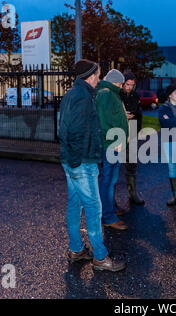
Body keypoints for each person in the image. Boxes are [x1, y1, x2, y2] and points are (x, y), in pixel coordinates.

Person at [58, 59, 126, 271]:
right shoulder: (83, 97)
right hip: (81, 161)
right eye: (97, 74)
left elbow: (63, 128)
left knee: (75, 204)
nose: (99, 78)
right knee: (94, 207)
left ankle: (76, 249)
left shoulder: (73, 94)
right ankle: (100, 256)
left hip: (72, 160)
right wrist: (78, 161)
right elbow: (73, 132)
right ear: (89, 76)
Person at [96, 69, 129, 231]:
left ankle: (110, 209)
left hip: (115, 144)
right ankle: (108, 216)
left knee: (111, 180)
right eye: (121, 83)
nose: (122, 86)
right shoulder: (106, 94)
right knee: (108, 181)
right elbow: (103, 120)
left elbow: (113, 117)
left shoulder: (110, 93)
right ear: (115, 82)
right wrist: (115, 139)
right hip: (111, 145)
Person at [119, 71, 145, 205]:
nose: (129, 87)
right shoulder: (117, 95)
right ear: (123, 83)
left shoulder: (135, 96)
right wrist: (123, 117)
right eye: (127, 84)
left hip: (133, 133)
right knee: (114, 166)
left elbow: (139, 115)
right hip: (118, 134)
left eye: (132, 85)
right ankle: (111, 199)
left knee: (132, 165)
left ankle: (133, 194)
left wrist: (137, 131)